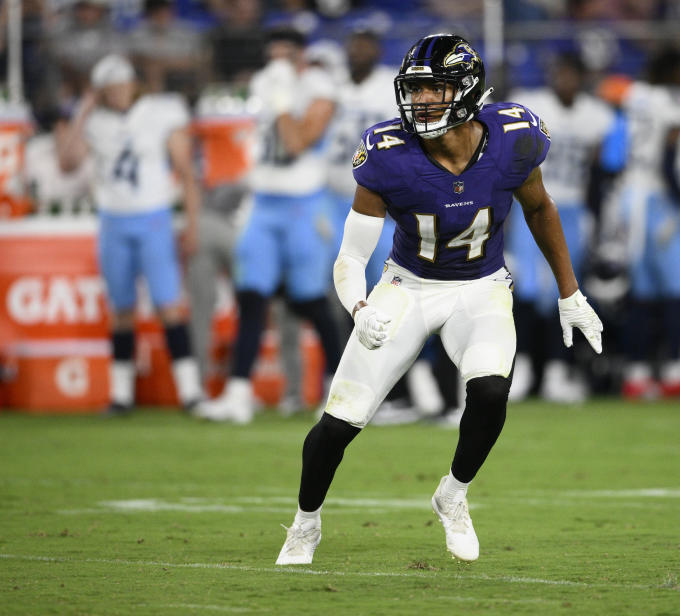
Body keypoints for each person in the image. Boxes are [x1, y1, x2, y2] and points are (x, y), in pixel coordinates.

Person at [275, 34, 603, 565]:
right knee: (338, 423)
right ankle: (305, 524)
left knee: (491, 391)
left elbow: (540, 209)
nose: (422, 100)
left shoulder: (513, 137)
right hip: (408, 286)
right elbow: (351, 257)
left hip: (481, 286)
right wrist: (359, 307)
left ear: (468, 92)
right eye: (417, 89)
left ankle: (453, 494)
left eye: (436, 89)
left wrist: (570, 292)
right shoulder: (387, 154)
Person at [193, 28, 344, 424]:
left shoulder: (318, 86)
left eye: (285, 56)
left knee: (310, 300)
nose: (277, 64)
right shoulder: (264, 82)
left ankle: (338, 392)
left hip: (303, 205)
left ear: (300, 56)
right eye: (272, 55)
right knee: (251, 296)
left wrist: (279, 101)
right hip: (263, 203)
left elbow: (295, 143)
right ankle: (238, 394)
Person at [59, 54, 203, 414]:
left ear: (132, 84)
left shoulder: (159, 111)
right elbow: (67, 162)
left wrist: (192, 222)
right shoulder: (94, 121)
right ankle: (121, 395)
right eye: (109, 89)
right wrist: (83, 110)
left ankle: (189, 391)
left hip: (153, 218)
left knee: (169, 305)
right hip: (113, 221)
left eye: (122, 85)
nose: (118, 93)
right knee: (120, 309)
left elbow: (185, 171)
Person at [507, 52, 614, 403]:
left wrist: (596, 216)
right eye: (559, 73)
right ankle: (521, 367)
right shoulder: (532, 105)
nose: (564, 81)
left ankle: (556, 370)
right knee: (525, 287)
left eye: (571, 74)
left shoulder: (596, 116)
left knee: (565, 290)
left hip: (572, 209)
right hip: (533, 205)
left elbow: (598, 171)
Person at [613, 48, 680, 400]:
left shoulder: (639, 95)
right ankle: (674, 371)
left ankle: (636, 376)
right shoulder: (676, 102)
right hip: (657, 198)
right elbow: (668, 161)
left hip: (630, 197)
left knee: (643, 292)